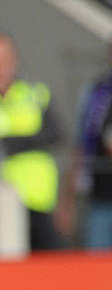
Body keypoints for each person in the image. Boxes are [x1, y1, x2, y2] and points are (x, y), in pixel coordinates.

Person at [0, 31, 65, 252]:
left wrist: (10, 141)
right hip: (1, 203)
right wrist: (29, 138)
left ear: (13, 61)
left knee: (51, 270)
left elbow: (55, 134)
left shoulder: (36, 94)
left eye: (0, 62)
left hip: (41, 199)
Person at [57, 43, 112, 249]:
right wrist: (67, 198)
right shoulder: (98, 92)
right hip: (100, 196)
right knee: (97, 270)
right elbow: (81, 143)